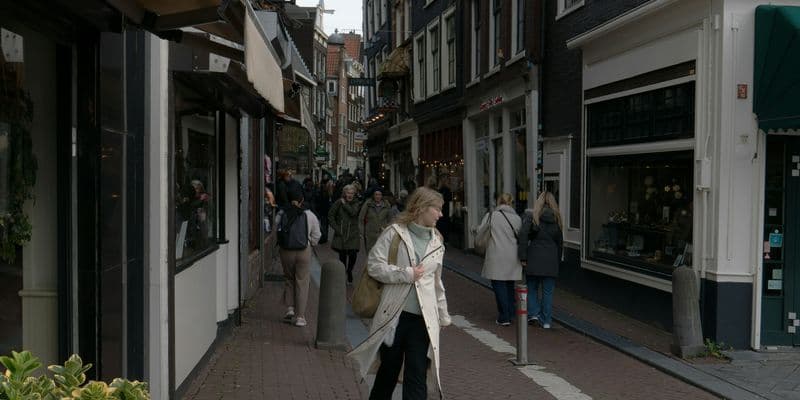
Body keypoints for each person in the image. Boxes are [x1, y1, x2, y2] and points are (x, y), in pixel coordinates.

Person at [348, 187, 451, 399]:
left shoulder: (437, 240)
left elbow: (436, 281)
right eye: (437, 209)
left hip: (422, 320)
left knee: (417, 376)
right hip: (394, 317)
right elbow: (374, 266)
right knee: (388, 372)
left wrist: (442, 313)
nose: (441, 214)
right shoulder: (394, 234)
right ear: (422, 208)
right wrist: (406, 274)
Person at [276, 188, 321, 327]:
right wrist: (311, 243)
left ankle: (290, 309)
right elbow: (317, 235)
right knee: (302, 281)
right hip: (303, 251)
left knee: (289, 279)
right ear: (302, 200)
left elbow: (276, 228)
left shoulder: (282, 213)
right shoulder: (309, 215)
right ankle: (300, 317)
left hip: (286, 251)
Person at [518, 192, 563, 329]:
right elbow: (560, 243)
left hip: (534, 258)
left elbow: (523, 236)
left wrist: (523, 257)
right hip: (550, 261)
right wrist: (557, 260)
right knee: (548, 292)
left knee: (531, 288)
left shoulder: (533, 217)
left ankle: (534, 314)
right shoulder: (557, 219)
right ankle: (546, 321)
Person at [476, 193, 522, 326]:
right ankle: (511, 312)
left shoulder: (492, 216)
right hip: (512, 256)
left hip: (496, 255)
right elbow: (521, 236)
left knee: (499, 285)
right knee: (509, 284)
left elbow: (481, 230)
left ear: (498, 202)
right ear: (511, 203)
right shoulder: (517, 218)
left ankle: (504, 316)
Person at [328, 184, 362, 283]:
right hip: (342, 233)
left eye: (352, 193)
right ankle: (343, 272)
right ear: (344, 193)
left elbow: (353, 213)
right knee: (342, 255)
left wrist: (344, 204)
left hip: (353, 233)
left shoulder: (356, 203)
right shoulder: (338, 202)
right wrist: (337, 228)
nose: (350, 195)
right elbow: (330, 215)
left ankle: (349, 270)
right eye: (348, 193)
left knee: (353, 254)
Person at [358, 189, 393, 254]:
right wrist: (361, 231)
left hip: (382, 233)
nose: (378, 196)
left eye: (379, 195)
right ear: (373, 196)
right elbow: (361, 218)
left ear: (382, 196)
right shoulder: (368, 204)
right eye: (376, 194)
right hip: (370, 234)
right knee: (370, 254)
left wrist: (387, 230)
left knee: (381, 254)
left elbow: (390, 219)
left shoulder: (386, 205)